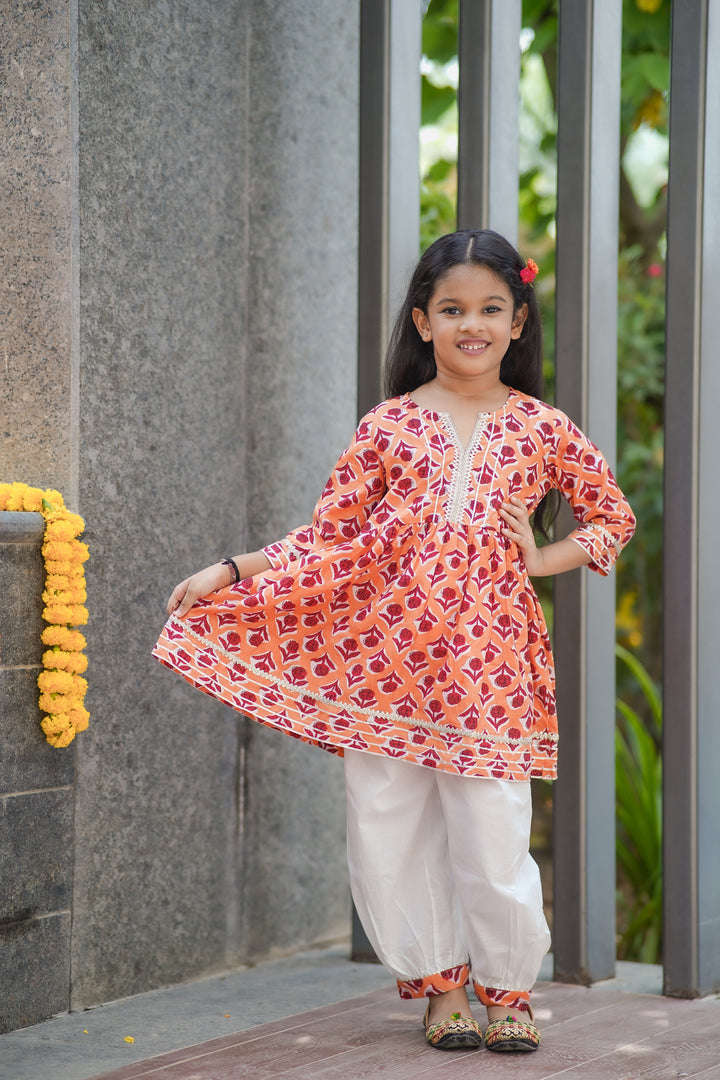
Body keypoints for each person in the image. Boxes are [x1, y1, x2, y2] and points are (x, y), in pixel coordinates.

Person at [154, 228, 635, 1053]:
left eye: (490, 308)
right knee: (388, 825)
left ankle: (508, 989)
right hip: (383, 667)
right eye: (452, 309)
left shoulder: (543, 429)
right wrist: (233, 571)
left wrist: (541, 557)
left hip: (488, 663)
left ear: (518, 323)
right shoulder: (388, 427)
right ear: (422, 322)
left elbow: (612, 515)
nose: (470, 325)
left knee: (492, 829)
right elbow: (329, 539)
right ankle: (442, 988)